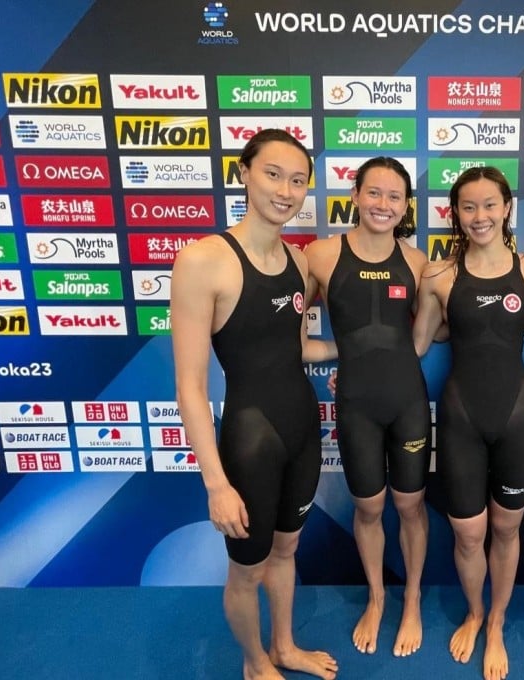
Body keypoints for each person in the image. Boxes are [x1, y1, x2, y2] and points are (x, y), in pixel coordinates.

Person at [171, 128, 338, 680]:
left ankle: (286, 646)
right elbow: (190, 388)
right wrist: (215, 483)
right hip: (250, 438)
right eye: (273, 174)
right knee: (247, 570)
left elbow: (294, 348)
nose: (285, 191)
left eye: (297, 180)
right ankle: (254, 662)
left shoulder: (298, 261)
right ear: (244, 172)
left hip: (302, 428)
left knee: (286, 552)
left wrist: (352, 350)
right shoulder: (203, 260)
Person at [413, 166, 524, 680]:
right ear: (455, 213)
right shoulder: (439, 275)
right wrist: (359, 371)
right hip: (460, 420)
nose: (480, 216)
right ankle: (474, 612)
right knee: (468, 534)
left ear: (507, 207)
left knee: (506, 528)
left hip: (519, 417)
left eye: (489, 204)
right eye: (468, 207)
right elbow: (418, 345)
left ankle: (496, 623)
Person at [304, 157, 431, 657]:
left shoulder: (419, 262)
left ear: (405, 206)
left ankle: (414, 599)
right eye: (374, 193)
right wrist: (346, 353)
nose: (383, 205)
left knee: (410, 506)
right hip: (355, 404)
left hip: (408, 402)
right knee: (369, 507)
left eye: (394, 196)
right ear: (354, 194)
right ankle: (378, 599)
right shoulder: (319, 256)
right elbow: (299, 343)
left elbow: (428, 332)